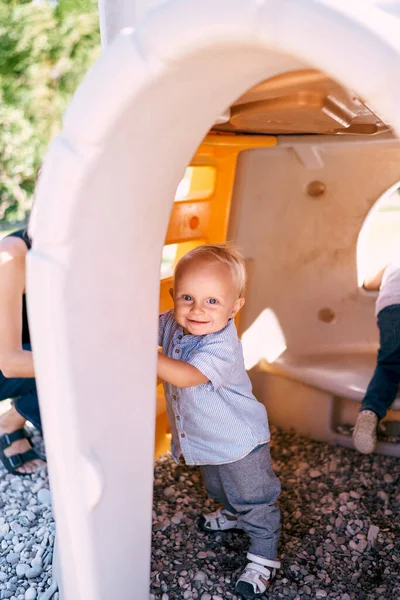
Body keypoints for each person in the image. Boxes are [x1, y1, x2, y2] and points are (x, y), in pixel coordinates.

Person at [157, 243, 281, 599]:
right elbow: (142, 327)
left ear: (235, 306)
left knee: (253, 499)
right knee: (217, 487)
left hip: (241, 443)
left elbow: (185, 376)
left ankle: (263, 554)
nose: (198, 310)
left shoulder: (222, 345)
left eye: (212, 301)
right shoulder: (171, 324)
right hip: (206, 441)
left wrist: (143, 352)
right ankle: (230, 513)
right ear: (173, 296)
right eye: (187, 298)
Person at [0, 227, 44, 475]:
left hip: (24, 349)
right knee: (86, 365)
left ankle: (16, 414)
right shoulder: (12, 255)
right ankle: (8, 424)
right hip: (6, 359)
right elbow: (11, 363)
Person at [353, 263, 400, 454]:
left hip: (389, 309)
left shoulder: (392, 262)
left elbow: (369, 282)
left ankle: (369, 412)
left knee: (387, 366)